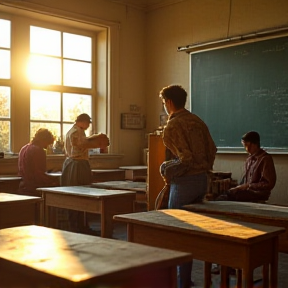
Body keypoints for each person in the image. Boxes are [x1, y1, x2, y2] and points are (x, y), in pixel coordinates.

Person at [159, 85, 217, 288]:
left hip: (184, 183)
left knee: (178, 232)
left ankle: (182, 281)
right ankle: (186, 278)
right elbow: (213, 149)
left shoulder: (173, 126)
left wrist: (166, 168)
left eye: (163, 103)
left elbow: (185, 159)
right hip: (202, 180)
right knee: (193, 231)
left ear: (169, 102)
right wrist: (204, 168)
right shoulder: (197, 121)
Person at [220, 131, 276, 202]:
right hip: (247, 191)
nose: (246, 149)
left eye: (246, 145)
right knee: (225, 193)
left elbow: (268, 184)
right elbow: (246, 180)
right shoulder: (249, 159)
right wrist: (237, 187)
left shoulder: (265, 159)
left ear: (254, 144)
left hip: (258, 193)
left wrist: (248, 186)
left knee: (229, 196)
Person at [61, 113, 109, 186]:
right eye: (88, 124)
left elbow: (82, 142)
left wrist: (95, 137)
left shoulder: (76, 130)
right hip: (77, 163)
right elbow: (78, 147)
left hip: (75, 162)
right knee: (79, 186)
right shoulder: (76, 132)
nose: (88, 126)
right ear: (84, 122)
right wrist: (96, 143)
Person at [18, 128, 59, 196]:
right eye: (48, 142)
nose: (47, 146)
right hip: (34, 186)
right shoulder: (38, 150)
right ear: (44, 140)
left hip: (23, 184)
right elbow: (39, 174)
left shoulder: (24, 148)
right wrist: (52, 181)